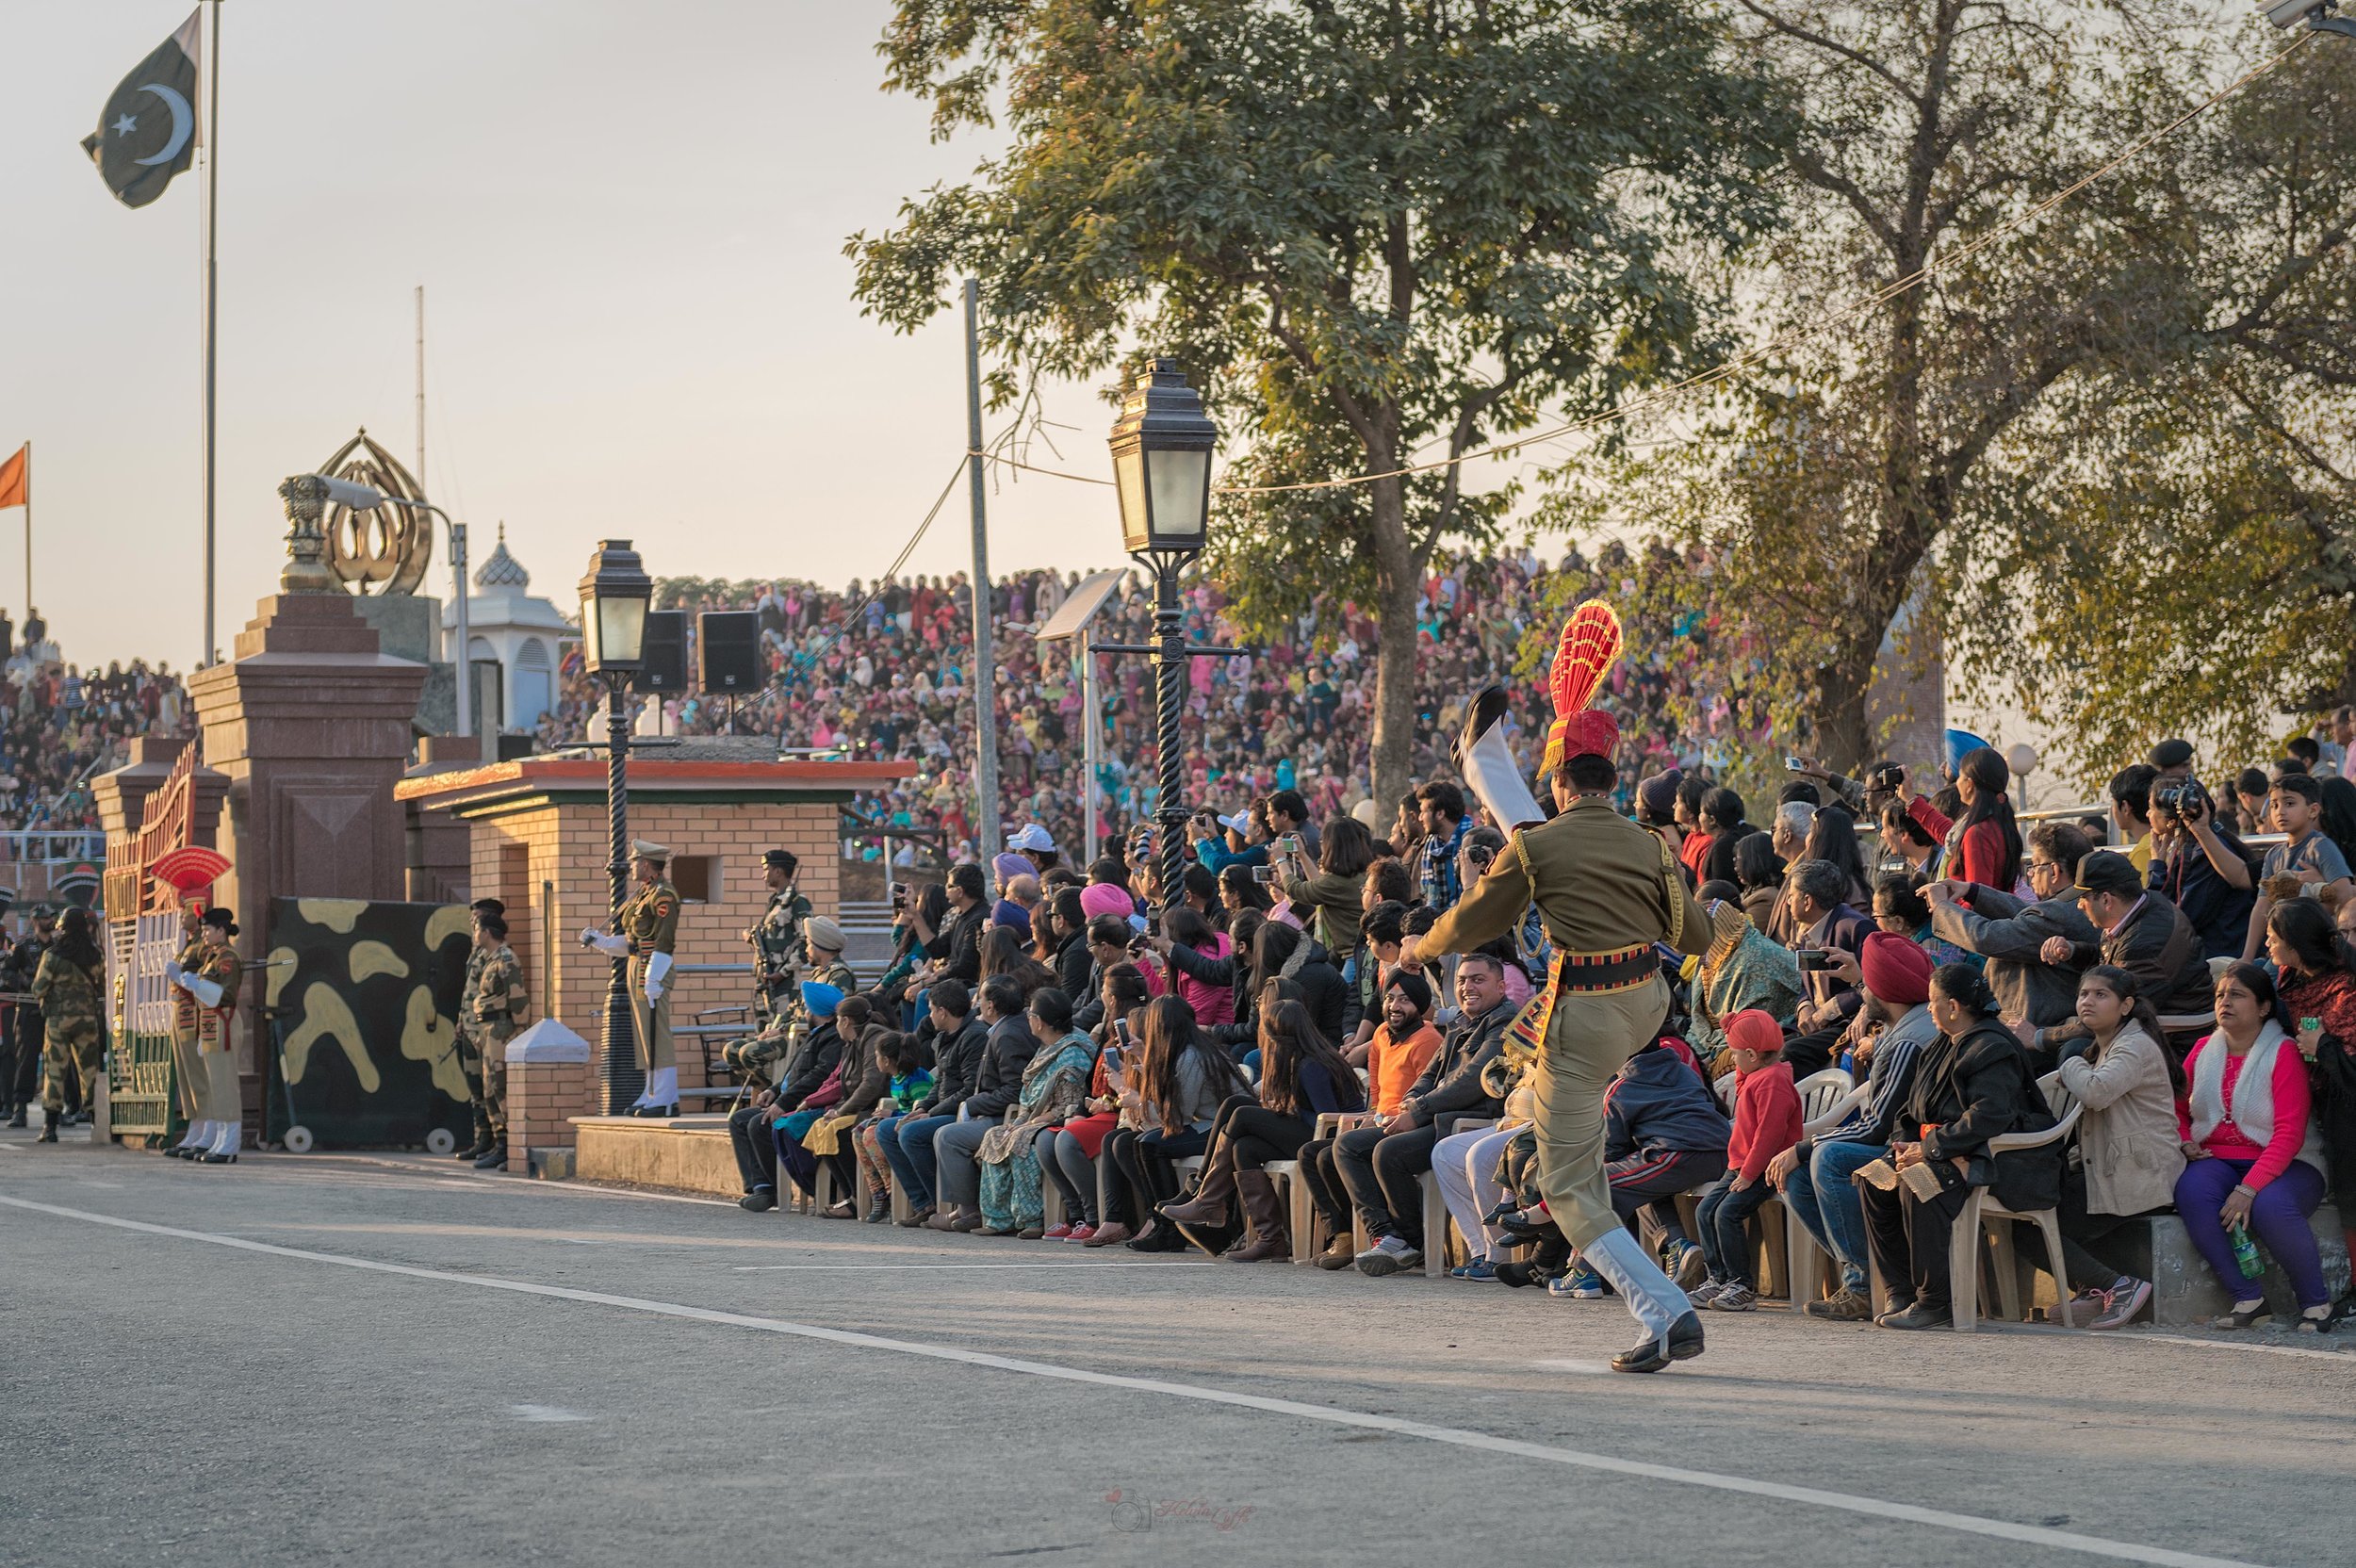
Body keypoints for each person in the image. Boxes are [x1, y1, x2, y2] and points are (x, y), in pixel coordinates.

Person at [1420, 706, 1716, 1374]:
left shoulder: (1536, 846)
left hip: (1585, 1016)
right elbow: (1696, 938)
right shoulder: (1650, 844)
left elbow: (1472, 921)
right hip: (1644, 1007)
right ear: (1609, 780)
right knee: (1579, 1158)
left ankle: (1665, 1312)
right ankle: (1656, 1289)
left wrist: (1420, 949)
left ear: (1558, 782)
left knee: (1567, 1185)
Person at [1859, 962, 2059, 1330]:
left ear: (1953, 1006)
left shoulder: (1991, 1046)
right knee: (1874, 1177)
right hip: (1940, 1149)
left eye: (1933, 1002)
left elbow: (1990, 1114)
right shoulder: (1940, 1044)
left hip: (1991, 1158)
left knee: (1917, 1184)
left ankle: (1934, 1301)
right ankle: (1900, 1290)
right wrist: (1903, 1146)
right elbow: (1910, 1110)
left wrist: (1931, 1147)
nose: (1929, 1008)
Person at [1773, 930, 1937, 1320]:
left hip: (1914, 1155)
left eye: (1869, 986)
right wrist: (1861, 977)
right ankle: (1873, 1275)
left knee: (1828, 1158)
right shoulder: (1906, 1023)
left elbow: (1876, 1126)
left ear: (1885, 992)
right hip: (1903, 1144)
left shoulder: (1907, 1041)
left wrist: (1802, 1147)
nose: (1863, 996)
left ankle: (1864, 1283)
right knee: (1797, 1177)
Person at [2176, 963, 2333, 1330]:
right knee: (2193, 1190)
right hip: (2218, 1159)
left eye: (2237, 995)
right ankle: (2248, 1297)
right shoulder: (2202, 1050)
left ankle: (2316, 1303)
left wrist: (2248, 1188)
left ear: (2264, 1007)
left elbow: (2289, 1134)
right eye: (2220, 995)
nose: (2224, 1002)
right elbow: (2176, 1111)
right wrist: (2185, 1142)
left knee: (2271, 1206)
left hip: (2291, 1163)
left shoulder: (2283, 1053)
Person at [1342, 954, 1516, 1277]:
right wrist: (1411, 1102)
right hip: (1435, 1117)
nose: (1467, 987)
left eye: (1478, 980)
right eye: (1462, 980)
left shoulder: (1504, 1023)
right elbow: (1430, 1074)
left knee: (1388, 1152)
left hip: (1467, 1120)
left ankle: (1412, 1241)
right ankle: (1388, 1234)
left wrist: (1417, 1113)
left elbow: (1472, 1081)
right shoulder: (1461, 1022)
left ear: (1501, 986)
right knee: (1348, 1146)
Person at [2034, 966, 2184, 1330]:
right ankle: (2096, 1291)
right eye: (2084, 993)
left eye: (2101, 995)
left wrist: (2068, 1059)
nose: (2088, 1001)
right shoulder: (2106, 1046)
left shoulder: (2134, 1046)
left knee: (2033, 1225)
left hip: (2140, 1173)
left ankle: (2117, 1287)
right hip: (2113, 1168)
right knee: (2035, 1207)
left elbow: (2096, 1092)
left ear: (2126, 1005)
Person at [1157, 999, 1365, 1260]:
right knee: (1245, 1146)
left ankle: (1207, 1198)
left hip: (1328, 1138)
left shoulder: (1312, 1065)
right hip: (1308, 1133)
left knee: (1242, 1113)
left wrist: (1291, 1110)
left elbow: (1328, 1118)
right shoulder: (1294, 1060)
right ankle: (1270, 1240)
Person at [1303, 969, 1443, 1266]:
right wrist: (1371, 1113)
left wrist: (1395, 1116)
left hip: (1409, 1125)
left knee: (1347, 1147)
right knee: (1314, 1155)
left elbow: (1423, 1093)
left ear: (1419, 1004)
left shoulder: (1427, 1038)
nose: (1394, 1006)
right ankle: (1343, 1237)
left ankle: (1385, 1233)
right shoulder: (1380, 1033)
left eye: (1404, 1000)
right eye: (1390, 998)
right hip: (1381, 1122)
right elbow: (1377, 1088)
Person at [1925, 820, 2098, 1041]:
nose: (2030, 874)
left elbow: (1989, 937)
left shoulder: (2060, 913)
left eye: (2035, 865)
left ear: (2054, 871)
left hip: (2039, 1032)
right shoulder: (2072, 903)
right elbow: (2026, 913)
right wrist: (1971, 891)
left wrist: (1942, 908)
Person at [1105, 996, 1245, 1252]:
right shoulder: (1188, 1049)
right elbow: (1170, 1096)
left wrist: (1138, 1102)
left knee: (1150, 1144)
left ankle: (1170, 1228)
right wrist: (1143, 1056)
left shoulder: (1191, 1056)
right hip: (1208, 1124)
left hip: (1221, 1129)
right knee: (1128, 1142)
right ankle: (1159, 1222)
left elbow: (1177, 1115)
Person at [2272, 899, 2356, 1318]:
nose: (2268, 942)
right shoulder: (2289, 977)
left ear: (2296, 944)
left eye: (2275, 936)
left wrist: (2320, 1045)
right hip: (2323, 1098)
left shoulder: (2345, 989)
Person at [2040, 850, 2212, 1056]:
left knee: (2073, 1051)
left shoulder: (2144, 944)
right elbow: (2114, 960)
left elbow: (2113, 1016)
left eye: (2083, 898)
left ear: (2106, 900)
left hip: (2173, 1041)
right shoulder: (2146, 904)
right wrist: (2072, 952)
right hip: (2151, 1021)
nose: (2079, 906)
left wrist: (2041, 1037)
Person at [1690, 1010, 1801, 1313]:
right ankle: (1719, 1276)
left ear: (1752, 1054)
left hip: (1764, 1167)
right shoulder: (1755, 1075)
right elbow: (1742, 1084)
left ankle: (1741, 1284)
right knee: (1705, 1211)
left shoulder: (1773, 1081)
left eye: (1735, 1053)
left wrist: (1750, 1174)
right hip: (1739, 1166)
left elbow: (1769, 1134)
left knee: (1727, 1214)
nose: (1733, 1059)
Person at [975, 988, 1096, 1237]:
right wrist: (1019, 1121)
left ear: (1039, 1022)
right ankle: (999, 1218)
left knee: (1021, 1141)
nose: (1028, 1018)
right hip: (1035, 1117)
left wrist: (1028, 1123)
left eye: (1030, 1014)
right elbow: (1028, 1099)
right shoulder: (1046, 1048)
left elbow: (1068, 1105)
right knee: (995, 1136)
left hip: (1061, 1119)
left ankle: (1031, 1218)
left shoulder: (1073, 1052)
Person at [1050, 963, 1153, 1244]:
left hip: (1128, 1109)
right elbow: (1094, 1082)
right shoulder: (1106, 1028)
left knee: (1069, 1140)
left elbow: (1140, 1079)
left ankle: (1097, 1216)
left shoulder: (1134, 1027)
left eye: (1105, 991)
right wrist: (1083, 1109)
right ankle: (1076, 1215)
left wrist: (1109, 1101)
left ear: (1113, 997)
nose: (1102, 997)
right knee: (1046, 1140)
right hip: (1109, 1106)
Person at [926, 975, 1038, 1233]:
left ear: (991, 1006)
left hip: (1007, 1117)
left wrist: (972, 1104)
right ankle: (957, 1207)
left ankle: (968, 1210)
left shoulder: (1008, 1033)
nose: (976, 1004)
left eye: (981, 999)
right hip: (996, 1112)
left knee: (947, 1136)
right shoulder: (1007, 1027)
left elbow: (1014, 1091)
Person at [579, 841, 681, 1116]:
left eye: (635, 861)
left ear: (646, 864)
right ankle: (651, 1092)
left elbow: (664, 940)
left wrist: (654, 977)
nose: (631, 866)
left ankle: (666, 1097)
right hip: (637, 965)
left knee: (657, 1034)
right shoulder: (643, 894)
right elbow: (633, 941)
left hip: (653, 967)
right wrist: (600, 941)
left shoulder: (663, 895)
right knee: (644, 1036)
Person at [882, 980, 986, 1225]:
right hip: (941, 1108)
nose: (929, 1016)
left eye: (930, 1009)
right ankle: (925, 1203)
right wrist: (920, 1107)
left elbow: (969, 1090)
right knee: (885, 1130)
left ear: (943, 1011)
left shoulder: (974, 1037)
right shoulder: (942, 1038)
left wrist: (930, 1114)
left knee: (910, 1133)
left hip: (962, 1113)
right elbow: (939, 1084)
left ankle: (943, 1201)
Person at [1686, 897, 1804, 1077]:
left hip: (1754, 1042)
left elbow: (1749, 1027)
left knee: (1727, 1062)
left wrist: (1707, 1061)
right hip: (1718, 1038)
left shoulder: (1755, 961)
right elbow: (1698, 1017)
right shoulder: (1715, 954)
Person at [2245, 773, 2356, 961]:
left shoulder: (2321, 847)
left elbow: (2343, 894)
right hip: (2282, 945)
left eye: (2289, 804)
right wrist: (2246, 956)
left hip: (2314, 946)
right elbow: (2262, 904)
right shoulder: (2273, 855)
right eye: (2274, 805)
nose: (2280, 811)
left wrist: (2317, 891)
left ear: (2314, 810)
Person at [1781, 858, 1871, 1079]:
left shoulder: (1854, 927)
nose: (1787, 902)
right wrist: (1804, 1007)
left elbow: (1870, 984)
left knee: (1790, 1053)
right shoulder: (1808, 929)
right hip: (1816, 1022)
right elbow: (1806, 983)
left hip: (1848, 1022)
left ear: (1808, 901)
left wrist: (1827, 1011)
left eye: (1791, 895)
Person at [2146, 780, 2254, 960]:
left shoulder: (2206, 854)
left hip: (2220, 959)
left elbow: (2177, 920)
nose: (2147, 814)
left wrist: (2157, 867)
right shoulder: (2192, 847)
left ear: (2171, 822)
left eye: (2150, 808)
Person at [466, 913, 529, 1171]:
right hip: (488, 1029)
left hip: (502, 1028)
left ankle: (509, 1148)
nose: (474, 934)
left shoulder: (505, 959)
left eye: (477, 929)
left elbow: (518, 1000)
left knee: (500, 1087)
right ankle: (500, 1144)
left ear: (487, 932)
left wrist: (518, 1034)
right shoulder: (489, 959)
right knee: (490, 1088)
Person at [854, 1033, 933, 1221]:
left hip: (913, 1122)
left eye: (877, 1055)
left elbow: (921, 1111)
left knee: (872, 1135)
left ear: (887, 1060)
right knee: (859, 1132)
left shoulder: (917, 1079)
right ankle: (877, 1190)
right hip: (899, 1120)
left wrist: (893, 1115)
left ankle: (891, 1190)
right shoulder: (895, 1078)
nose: (876, 1059)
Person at [1273, 814, 1377, 958]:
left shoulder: (1335, 883)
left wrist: (1280, 860)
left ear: (1332, 846)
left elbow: (1295, 890)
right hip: (1362, 950)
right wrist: (1302, 855)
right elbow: (1318, 883)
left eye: (1323, 841)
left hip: (1353, 955)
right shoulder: (1362, 874)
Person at [453, 897, 508, 1162]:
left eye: (478, 918)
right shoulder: (477, 951)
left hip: (486, 1030)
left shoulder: (496, 953)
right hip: (470, 1027)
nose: (473, 922)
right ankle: (482, 1138)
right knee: (475, 1087)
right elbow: (470, 990)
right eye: (472, 918)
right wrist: (461, 1020)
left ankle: (499, 1142)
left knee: (490, 1088)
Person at [3, 906, 57, 1128]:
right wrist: (24, 983)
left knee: (56, 1061)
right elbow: (6, 971)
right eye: (45, 918)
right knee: (26, 1060)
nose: (49, 921)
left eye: (51, 917)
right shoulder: (23, 947)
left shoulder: (58, 947)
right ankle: (20, 1108)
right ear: (35, 921)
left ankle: (56, 1109)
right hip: (28, 1008)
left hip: (54, 1009)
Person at [161, 906, 208, 1155]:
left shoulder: (203, 947)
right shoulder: (189, 945)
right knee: (185, 1074)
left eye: (186, 911)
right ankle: (195, 1124)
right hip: (180, 1012)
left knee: (197, 1072)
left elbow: (205, 983)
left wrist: (180, 977)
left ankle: (204, 1127)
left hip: (194, 1013)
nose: (181, 916)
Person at [745, 848, 811, 1024]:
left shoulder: (797, 902)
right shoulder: (775, 902)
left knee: (780, 1036)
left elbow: (807, 943)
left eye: (766, 869)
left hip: (785, 986)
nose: (763, 875)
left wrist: (782, 973)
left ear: (778, 871)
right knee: (762, 1037)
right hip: (765, 983)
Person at [1415, 780, 1472, 912]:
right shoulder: (1430, 847)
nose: (1420, 818)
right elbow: (1429, 899)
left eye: (1423, 812)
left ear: (1440, 814)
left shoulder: (1475, 842)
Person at [1734, 832, 1787, 939]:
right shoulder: (1755, 891)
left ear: (1755, 860)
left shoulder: (1765, 899)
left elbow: (1741, 937)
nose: (1736, 868)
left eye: (1739, 860)